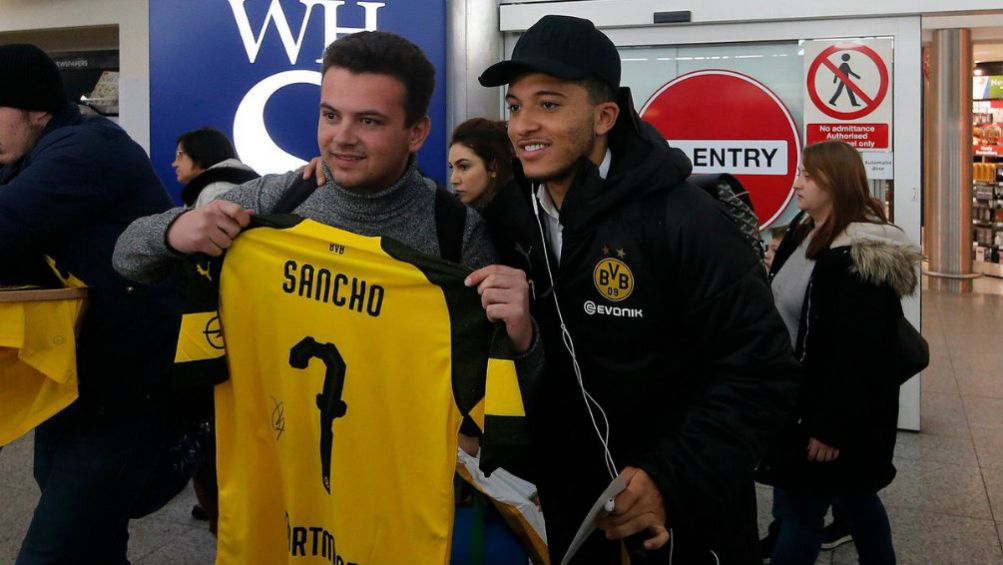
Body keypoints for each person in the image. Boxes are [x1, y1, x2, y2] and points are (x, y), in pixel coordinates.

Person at [476, 15, 801, 564]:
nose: (523, 124)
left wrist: (667, 478)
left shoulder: (684, 219)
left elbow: (760, 370)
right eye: (514, 106)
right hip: (571, 509)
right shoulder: (512, 213)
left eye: (549, 104)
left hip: (682, 516)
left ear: (604, 116)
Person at [0, 43, 182, 565]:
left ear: (36, 109)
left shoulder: (85, 149)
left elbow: (6, 226)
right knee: (94, 538)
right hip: (76, 376)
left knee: (53, 549)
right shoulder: (33, 152)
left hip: (127, 386)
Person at [756, 140, 922, 565]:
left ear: (835, 181)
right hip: (805, 397)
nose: (797, 183)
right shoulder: (806, 229)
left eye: (807, 175)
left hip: (833, 412)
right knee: (856, 498)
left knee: (802, 509)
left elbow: (855, 355)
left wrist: (829, 427)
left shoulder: (854, 256)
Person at [173, 126, 259, 207]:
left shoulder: (215, 192)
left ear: (200, 153)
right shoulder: (244, 183)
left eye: (179, 154)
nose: (174, 164)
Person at [448, 118, 514, 208]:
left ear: (493, 167)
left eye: (464, 167)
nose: (453, 180)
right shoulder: (459, 211)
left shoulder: (515, 215)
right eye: (452, 167)